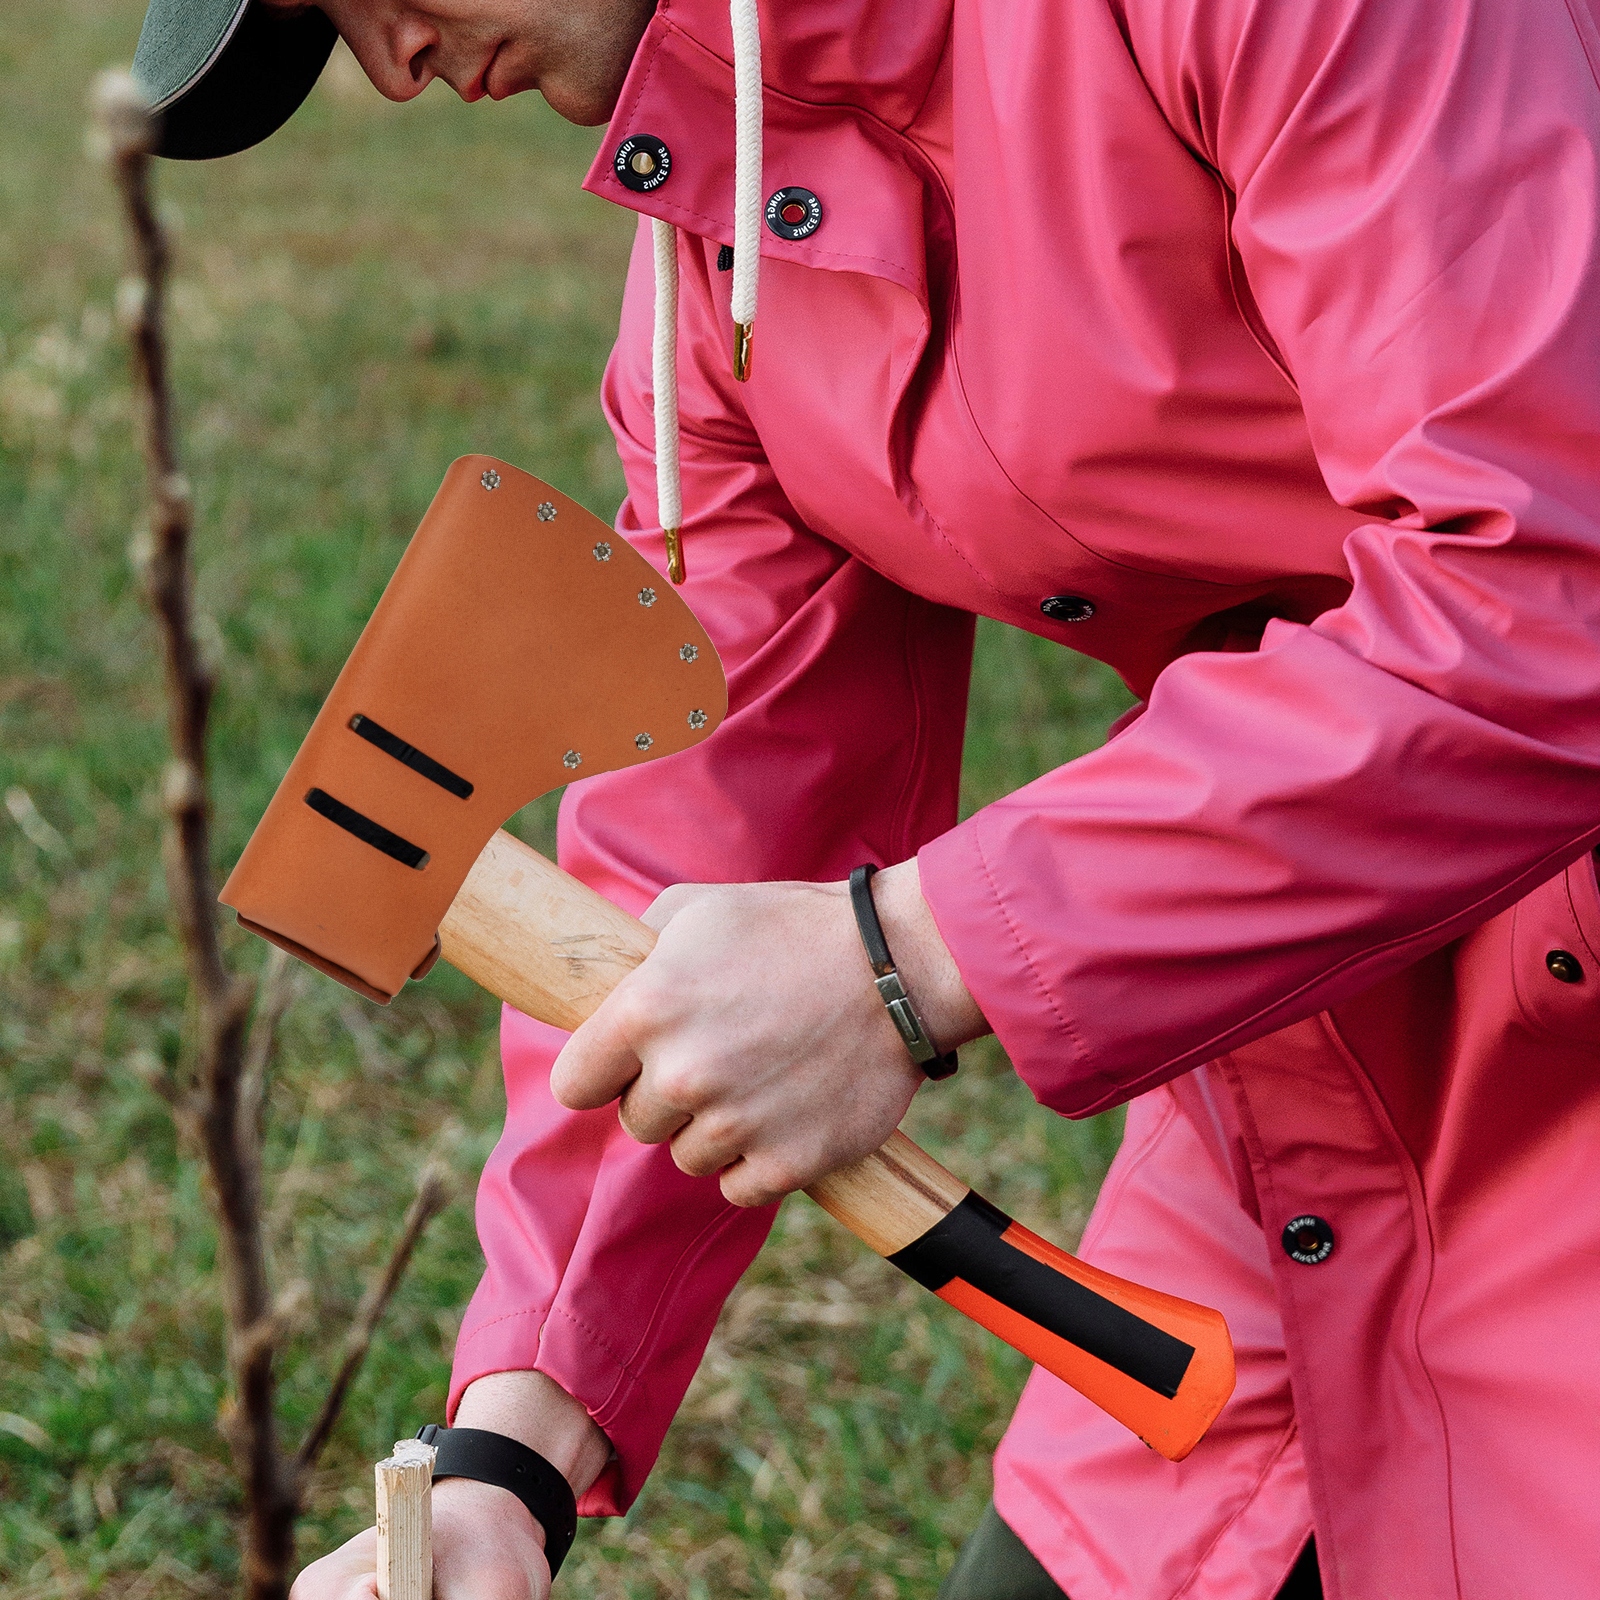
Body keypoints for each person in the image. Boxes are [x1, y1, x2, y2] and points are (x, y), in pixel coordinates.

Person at [132, 1, 1600, 1596]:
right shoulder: (727, 238)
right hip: (1305, 1081)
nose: (392, 60)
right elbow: (710, 800)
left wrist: (905, 958)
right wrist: (509, 1454)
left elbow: (1542, 597)